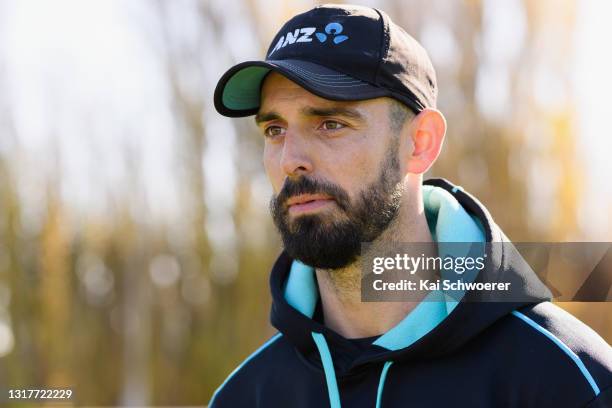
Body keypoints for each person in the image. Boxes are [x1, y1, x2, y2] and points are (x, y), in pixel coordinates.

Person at [209, 4, 612, 407]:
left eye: (330, 123)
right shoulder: (243, 396)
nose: (289, 160)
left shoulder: (568, 381)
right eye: (275, 129)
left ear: (420, 143)